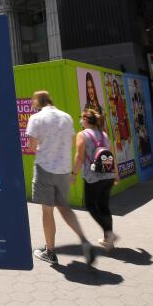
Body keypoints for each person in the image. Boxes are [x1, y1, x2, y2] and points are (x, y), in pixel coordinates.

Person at [26, 91, 94, 265]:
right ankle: (84, 240)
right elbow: (71, 143)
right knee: (64, 208)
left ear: (38, 101)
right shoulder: (66, 117)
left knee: (47, 212)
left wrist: (44, 144)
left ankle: (50, 252)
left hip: (44, 168)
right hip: (63, 170)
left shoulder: (36, 118)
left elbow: (32, 146)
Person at [72, 109, 120, 250]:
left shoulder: (82, 135)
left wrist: (73, 174)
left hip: (93, 177)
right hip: (109, 176)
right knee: (104, 206)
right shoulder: (104, 135)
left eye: (81, 117)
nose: (80, 120)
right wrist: (116, 173)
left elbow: (79, 156)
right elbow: (112, 155)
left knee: (91, 206)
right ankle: (108, 239)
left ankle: (109, 234)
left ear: (86, 119)